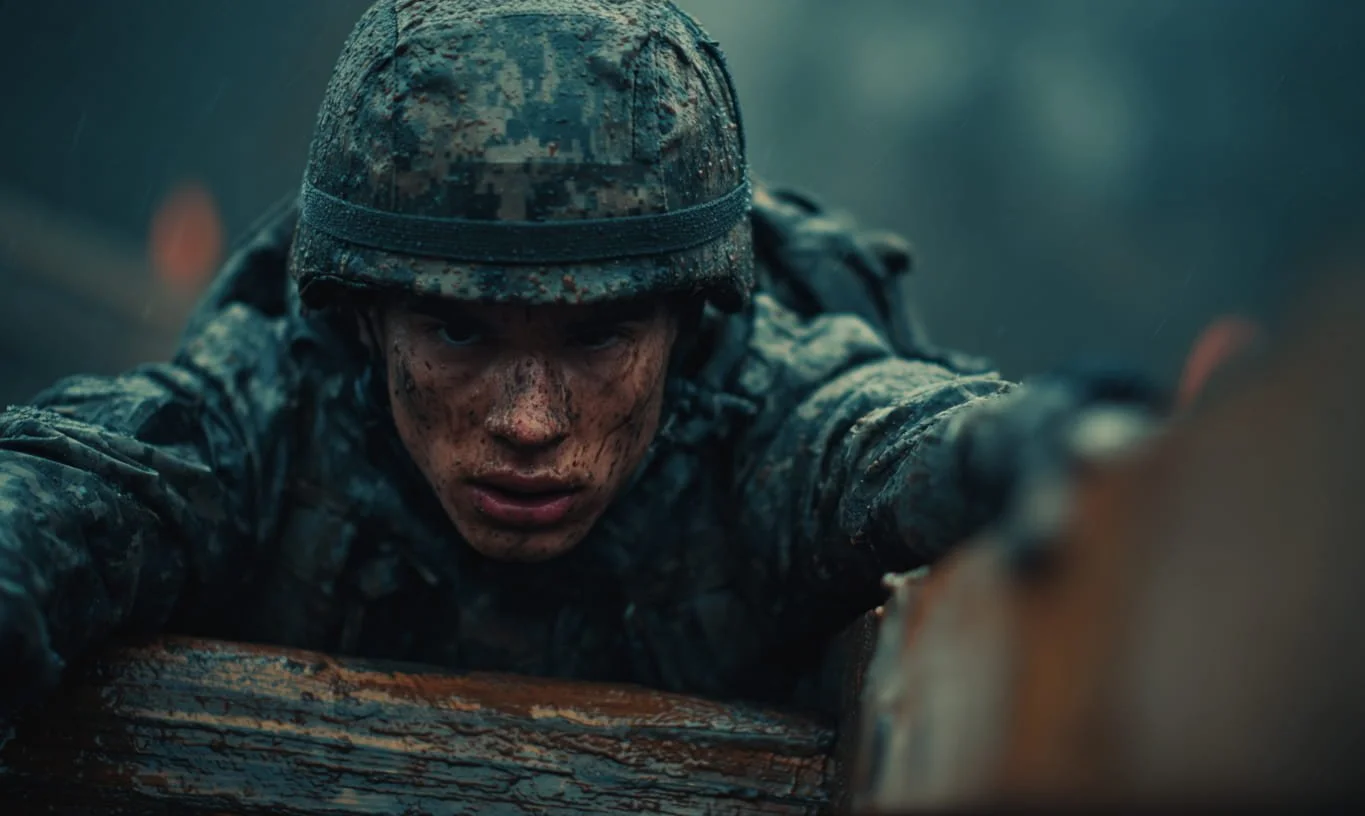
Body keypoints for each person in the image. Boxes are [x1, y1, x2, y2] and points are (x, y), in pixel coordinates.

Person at [0, 0, 1158, 718]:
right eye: (459, 330)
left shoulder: (755, 434)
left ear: (685, 325)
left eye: (598, 335)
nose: (529, 421)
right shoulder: (268, 423)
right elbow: (85, 485)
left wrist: (1031, 447)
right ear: (366, 322)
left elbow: (876, 433)